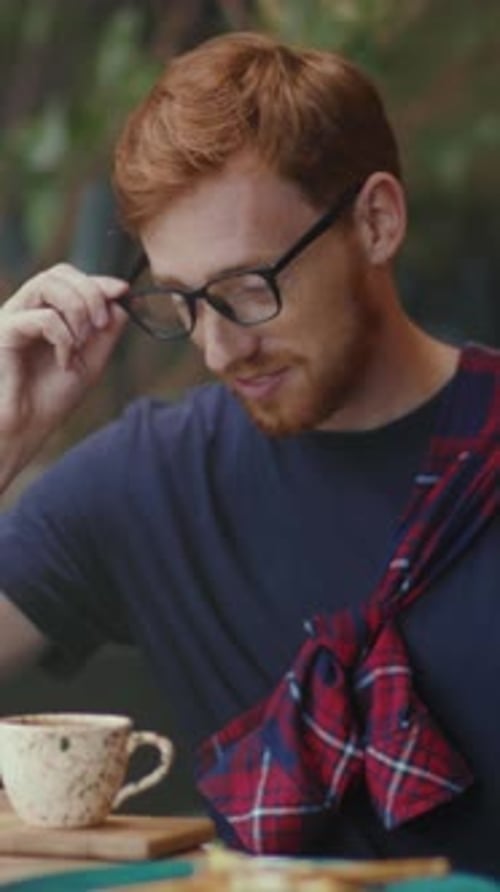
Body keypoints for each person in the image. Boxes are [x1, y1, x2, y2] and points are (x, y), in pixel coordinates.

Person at [0, 31, 498, 874]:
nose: (219, 350)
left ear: (376, 221)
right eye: (186, 300)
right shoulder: (148, 483)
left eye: (246, 289)